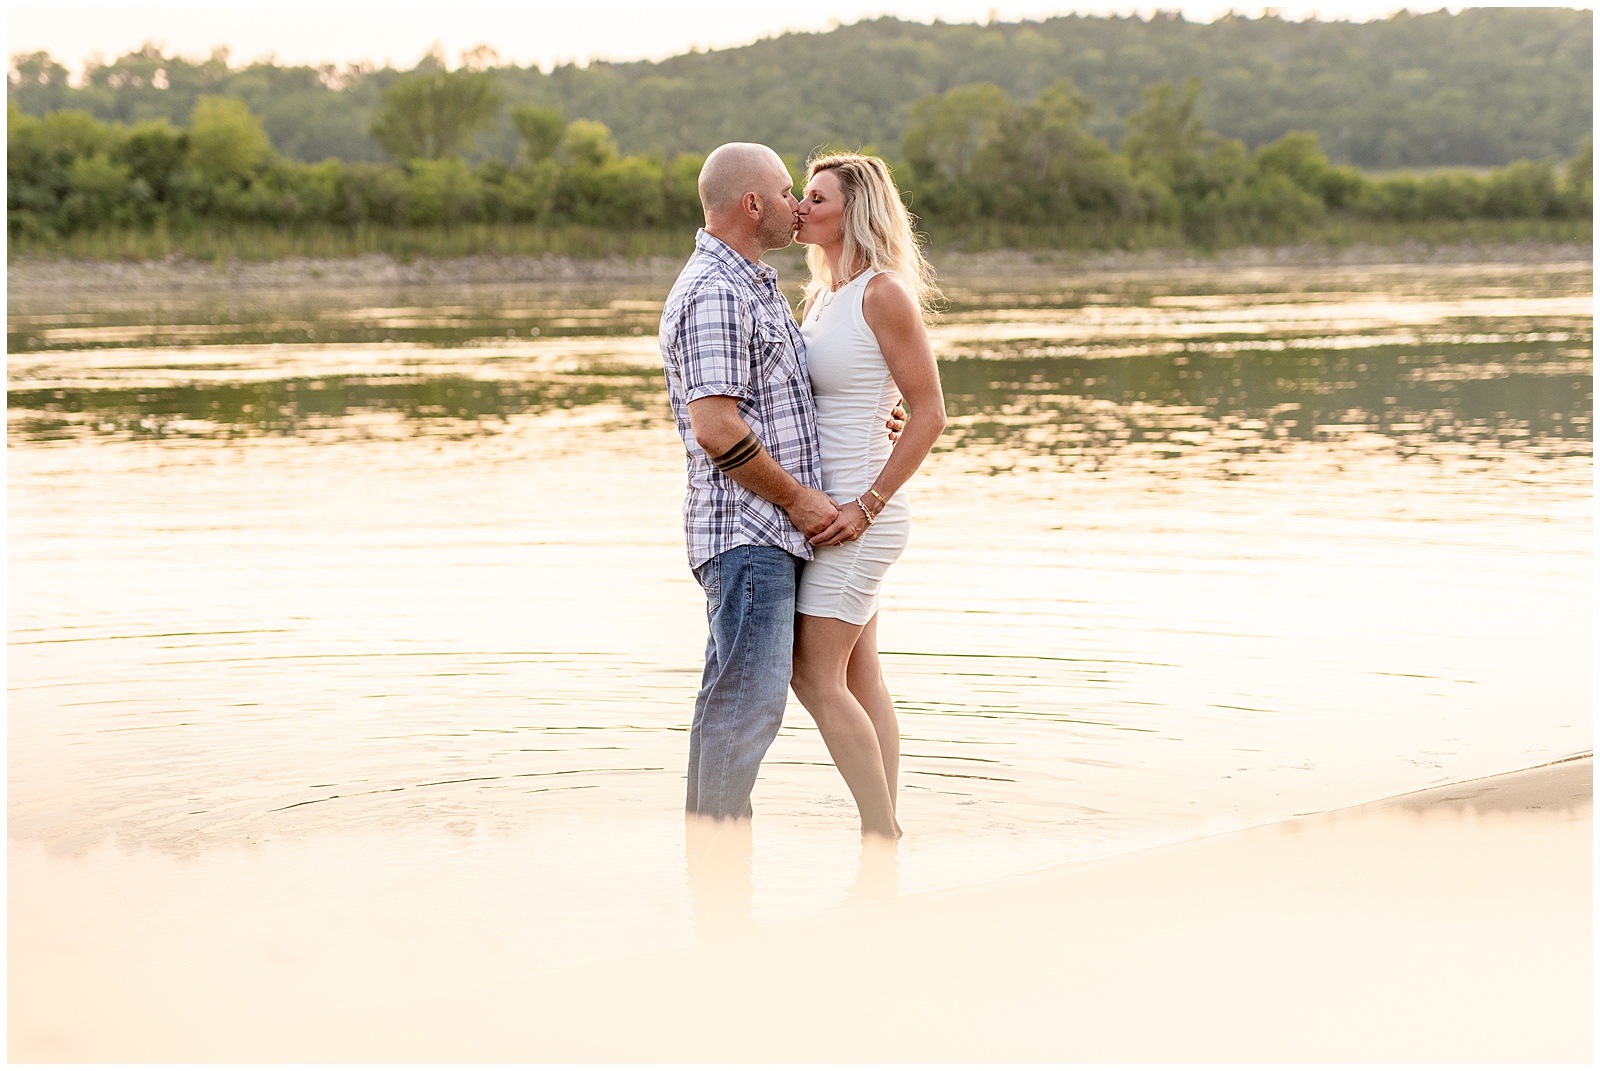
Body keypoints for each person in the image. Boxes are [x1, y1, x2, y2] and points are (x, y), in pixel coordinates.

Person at [789, 152, 947, 842]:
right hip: (834, 513)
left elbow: (930, 411)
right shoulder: (826, 294)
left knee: (812, 676)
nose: (801, 206)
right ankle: (885, 829)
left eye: (817, 198)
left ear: (854, 211)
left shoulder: (883, 292)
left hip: (858, 516)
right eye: (802, 194)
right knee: (859, 673)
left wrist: (867, 505)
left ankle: (880, 833)